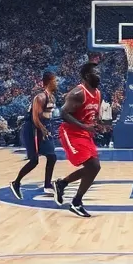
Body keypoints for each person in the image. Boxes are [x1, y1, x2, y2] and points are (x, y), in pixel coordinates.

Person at [54, 61, 103, 217]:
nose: (99, 75)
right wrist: (84, 126)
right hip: (71, 132)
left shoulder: (98, 93)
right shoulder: (77, 93)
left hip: (84, 133)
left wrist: (98, 124)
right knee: (92, 165)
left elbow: (91, 115)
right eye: (96, 73)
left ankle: (62, 184)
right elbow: (63, 113)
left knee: (95, 167)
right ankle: (76, 201)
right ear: (87, 76)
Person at [11, 71, 58, 200]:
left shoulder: (52, 97)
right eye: (55, 80)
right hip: (32, 129)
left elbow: (46, 117)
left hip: (43, 128)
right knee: (34, 161)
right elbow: (35, 118)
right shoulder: (40, 97)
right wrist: (43, 130)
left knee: (52, 157)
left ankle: (47, 185)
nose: (57, 83)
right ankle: (16, 183)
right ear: (49, 82)